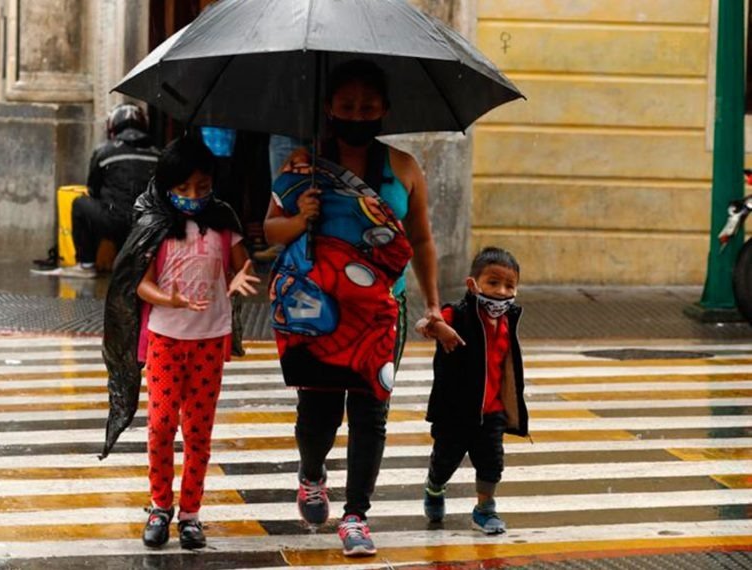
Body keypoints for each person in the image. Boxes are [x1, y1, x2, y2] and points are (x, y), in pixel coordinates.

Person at [264, 60, 446, 557]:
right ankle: (312, 472)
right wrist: (301, 217)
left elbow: (423, 241)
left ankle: (356, 515)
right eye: (347, 106)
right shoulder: (303, 165)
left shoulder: (404, 167)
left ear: (385, 110)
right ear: (329, 108)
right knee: (318, 413)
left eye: (368, 107)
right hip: (318, 310)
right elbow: (270, 231)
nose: (358, 114)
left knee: (372, 413)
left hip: (383, 310)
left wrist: (433, 303)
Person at [99, 136, 259, 550]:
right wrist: (168, 298)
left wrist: (241, 278)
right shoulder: (156, 225)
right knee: (162, 424)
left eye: (202, 188)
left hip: (211, 340)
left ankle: (190, 514)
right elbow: (140, 283)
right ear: (166, 185)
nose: (193, 197)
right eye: (183, 189)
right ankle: (159, 506)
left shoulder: (224, 222)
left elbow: (243, 264)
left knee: (199, 430)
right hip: (166, 339)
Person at [416, 246, 528, 536]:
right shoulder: (458, 314)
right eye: (493, 282)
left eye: (509, 285)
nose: (502, 291)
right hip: (454, 411)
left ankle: (485, 509)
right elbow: (427, 323)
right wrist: (435, 327)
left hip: (492, 412)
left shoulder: (508, 320)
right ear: (473, 284)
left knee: (492, 462)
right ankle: (435, 487)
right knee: (445, 460)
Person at [41, 104, 159, 278]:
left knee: (80, 203)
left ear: (112, 126)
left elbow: (93, 190)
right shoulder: (157, 155)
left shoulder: (104, 152)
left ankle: (87, 265)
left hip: (114, 221)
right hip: (146, 223)